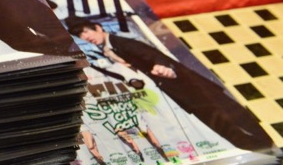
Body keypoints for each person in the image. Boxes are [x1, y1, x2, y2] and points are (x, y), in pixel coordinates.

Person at [66, 19, 273, 151]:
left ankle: (263, 144)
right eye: (82, 36)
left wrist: (162, 66)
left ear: (98, 28)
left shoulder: (121, 42)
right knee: (216, 118)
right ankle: (254, 146)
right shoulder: (109, 48)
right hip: (176, 88)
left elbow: (151, 54)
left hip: (185, 83)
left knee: (226, 113)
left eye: (87, 32)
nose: (87, 38)